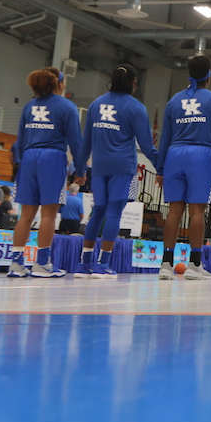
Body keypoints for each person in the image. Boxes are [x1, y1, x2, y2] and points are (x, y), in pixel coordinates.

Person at [156, 56, 211, 280]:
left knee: (174, 211)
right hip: (201, 156)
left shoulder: (174, 101)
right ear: (209, 75)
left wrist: (159, 170)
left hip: (174, 156)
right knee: (197, 212)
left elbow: (164, 139)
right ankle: (195, 265)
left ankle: (165, 265)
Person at [75, 64, 158, 278]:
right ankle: (103, 264)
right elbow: (147, 146)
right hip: (122, 166)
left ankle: (85, 264)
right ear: (133, 83)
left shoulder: (95, 105)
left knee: (98, 212)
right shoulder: (136, 108)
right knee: (114, 213)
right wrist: (163, 167)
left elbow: (86, 142)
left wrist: (80, 167)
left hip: (99, 166)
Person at [8, 68, 83, 278]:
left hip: (29, 158)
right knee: (48, 214)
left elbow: (19, 142)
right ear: (59, 83)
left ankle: (16, 264)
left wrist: (22, 164)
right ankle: (42, 264)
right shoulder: (68, 107)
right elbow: (76, 142)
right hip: (52, 158)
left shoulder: (29, 106)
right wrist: (80, 168)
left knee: (26, 215)